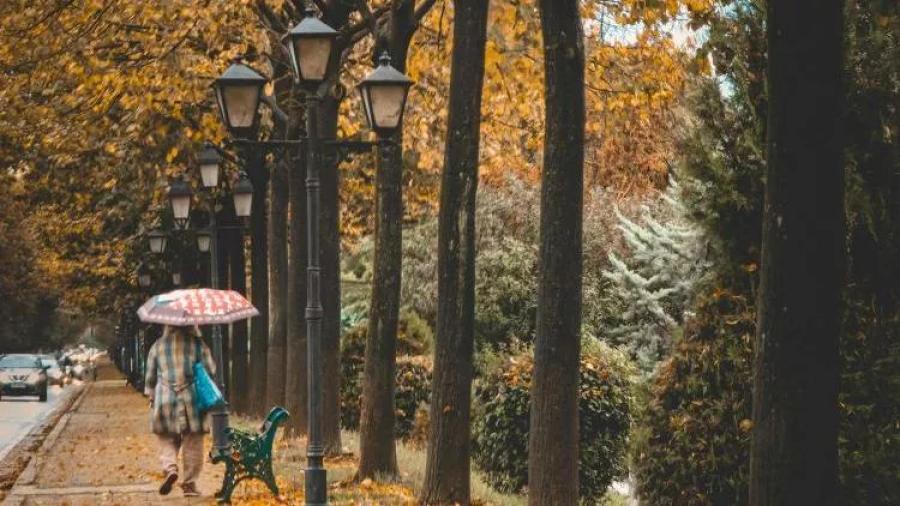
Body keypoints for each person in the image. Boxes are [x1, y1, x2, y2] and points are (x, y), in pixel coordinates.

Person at [144, 325, 216, 497]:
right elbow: (210, 370)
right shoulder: (198, 345)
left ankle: (170, 468)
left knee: (166, 438)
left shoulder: (158, 346)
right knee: (193, 442)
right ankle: (189, 484)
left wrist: (151, 396)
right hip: (192, 398)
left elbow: (150, 377)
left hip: (165, 398)